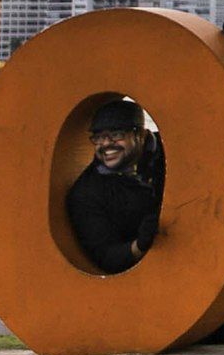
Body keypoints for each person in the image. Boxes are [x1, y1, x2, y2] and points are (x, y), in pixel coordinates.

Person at [66, 97, 162, 275]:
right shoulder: (87, 193)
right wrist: (140, 245)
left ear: (140, 134)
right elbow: (106, 255)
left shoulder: (170, 153)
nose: (106, 144)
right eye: (98, 137)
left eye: (116, 135)